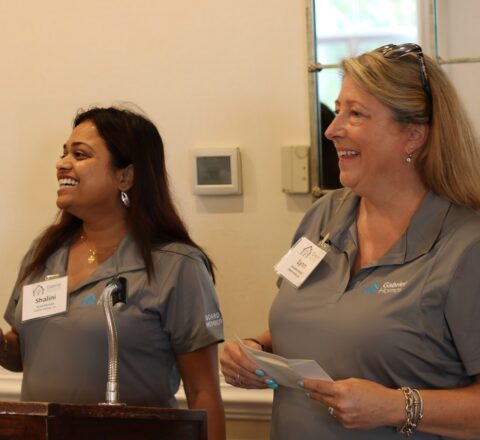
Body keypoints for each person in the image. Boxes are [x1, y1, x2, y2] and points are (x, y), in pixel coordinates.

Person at [221, 43, 480, 439]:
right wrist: (259, 349)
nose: (332, 128)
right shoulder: (323, 217)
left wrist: (397, 407)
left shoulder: (466, 245)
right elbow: (328, 322)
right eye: (338, 109)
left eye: (355, 114)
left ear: (412, 135)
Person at [1, 106, 226, 440]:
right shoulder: (43, 252)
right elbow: (23, 353)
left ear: (125, 176)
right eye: (64, 153)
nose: (62, 164)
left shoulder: (177, 265)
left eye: (80, 154)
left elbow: (203, 390)